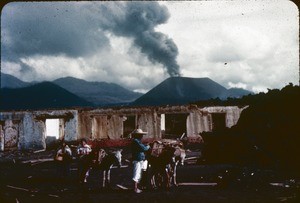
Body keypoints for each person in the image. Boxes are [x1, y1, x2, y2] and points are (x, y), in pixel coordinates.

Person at [131, 128, 150, 193]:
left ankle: (137, 187)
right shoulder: (136, 141)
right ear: (137, 135)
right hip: (137, 159)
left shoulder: (137, 141)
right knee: (136, 173)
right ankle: (135, 188)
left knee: (138, 173)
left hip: (139, 159)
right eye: (140, 135)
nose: (142, 136)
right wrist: (148, 146)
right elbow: (143, 148)